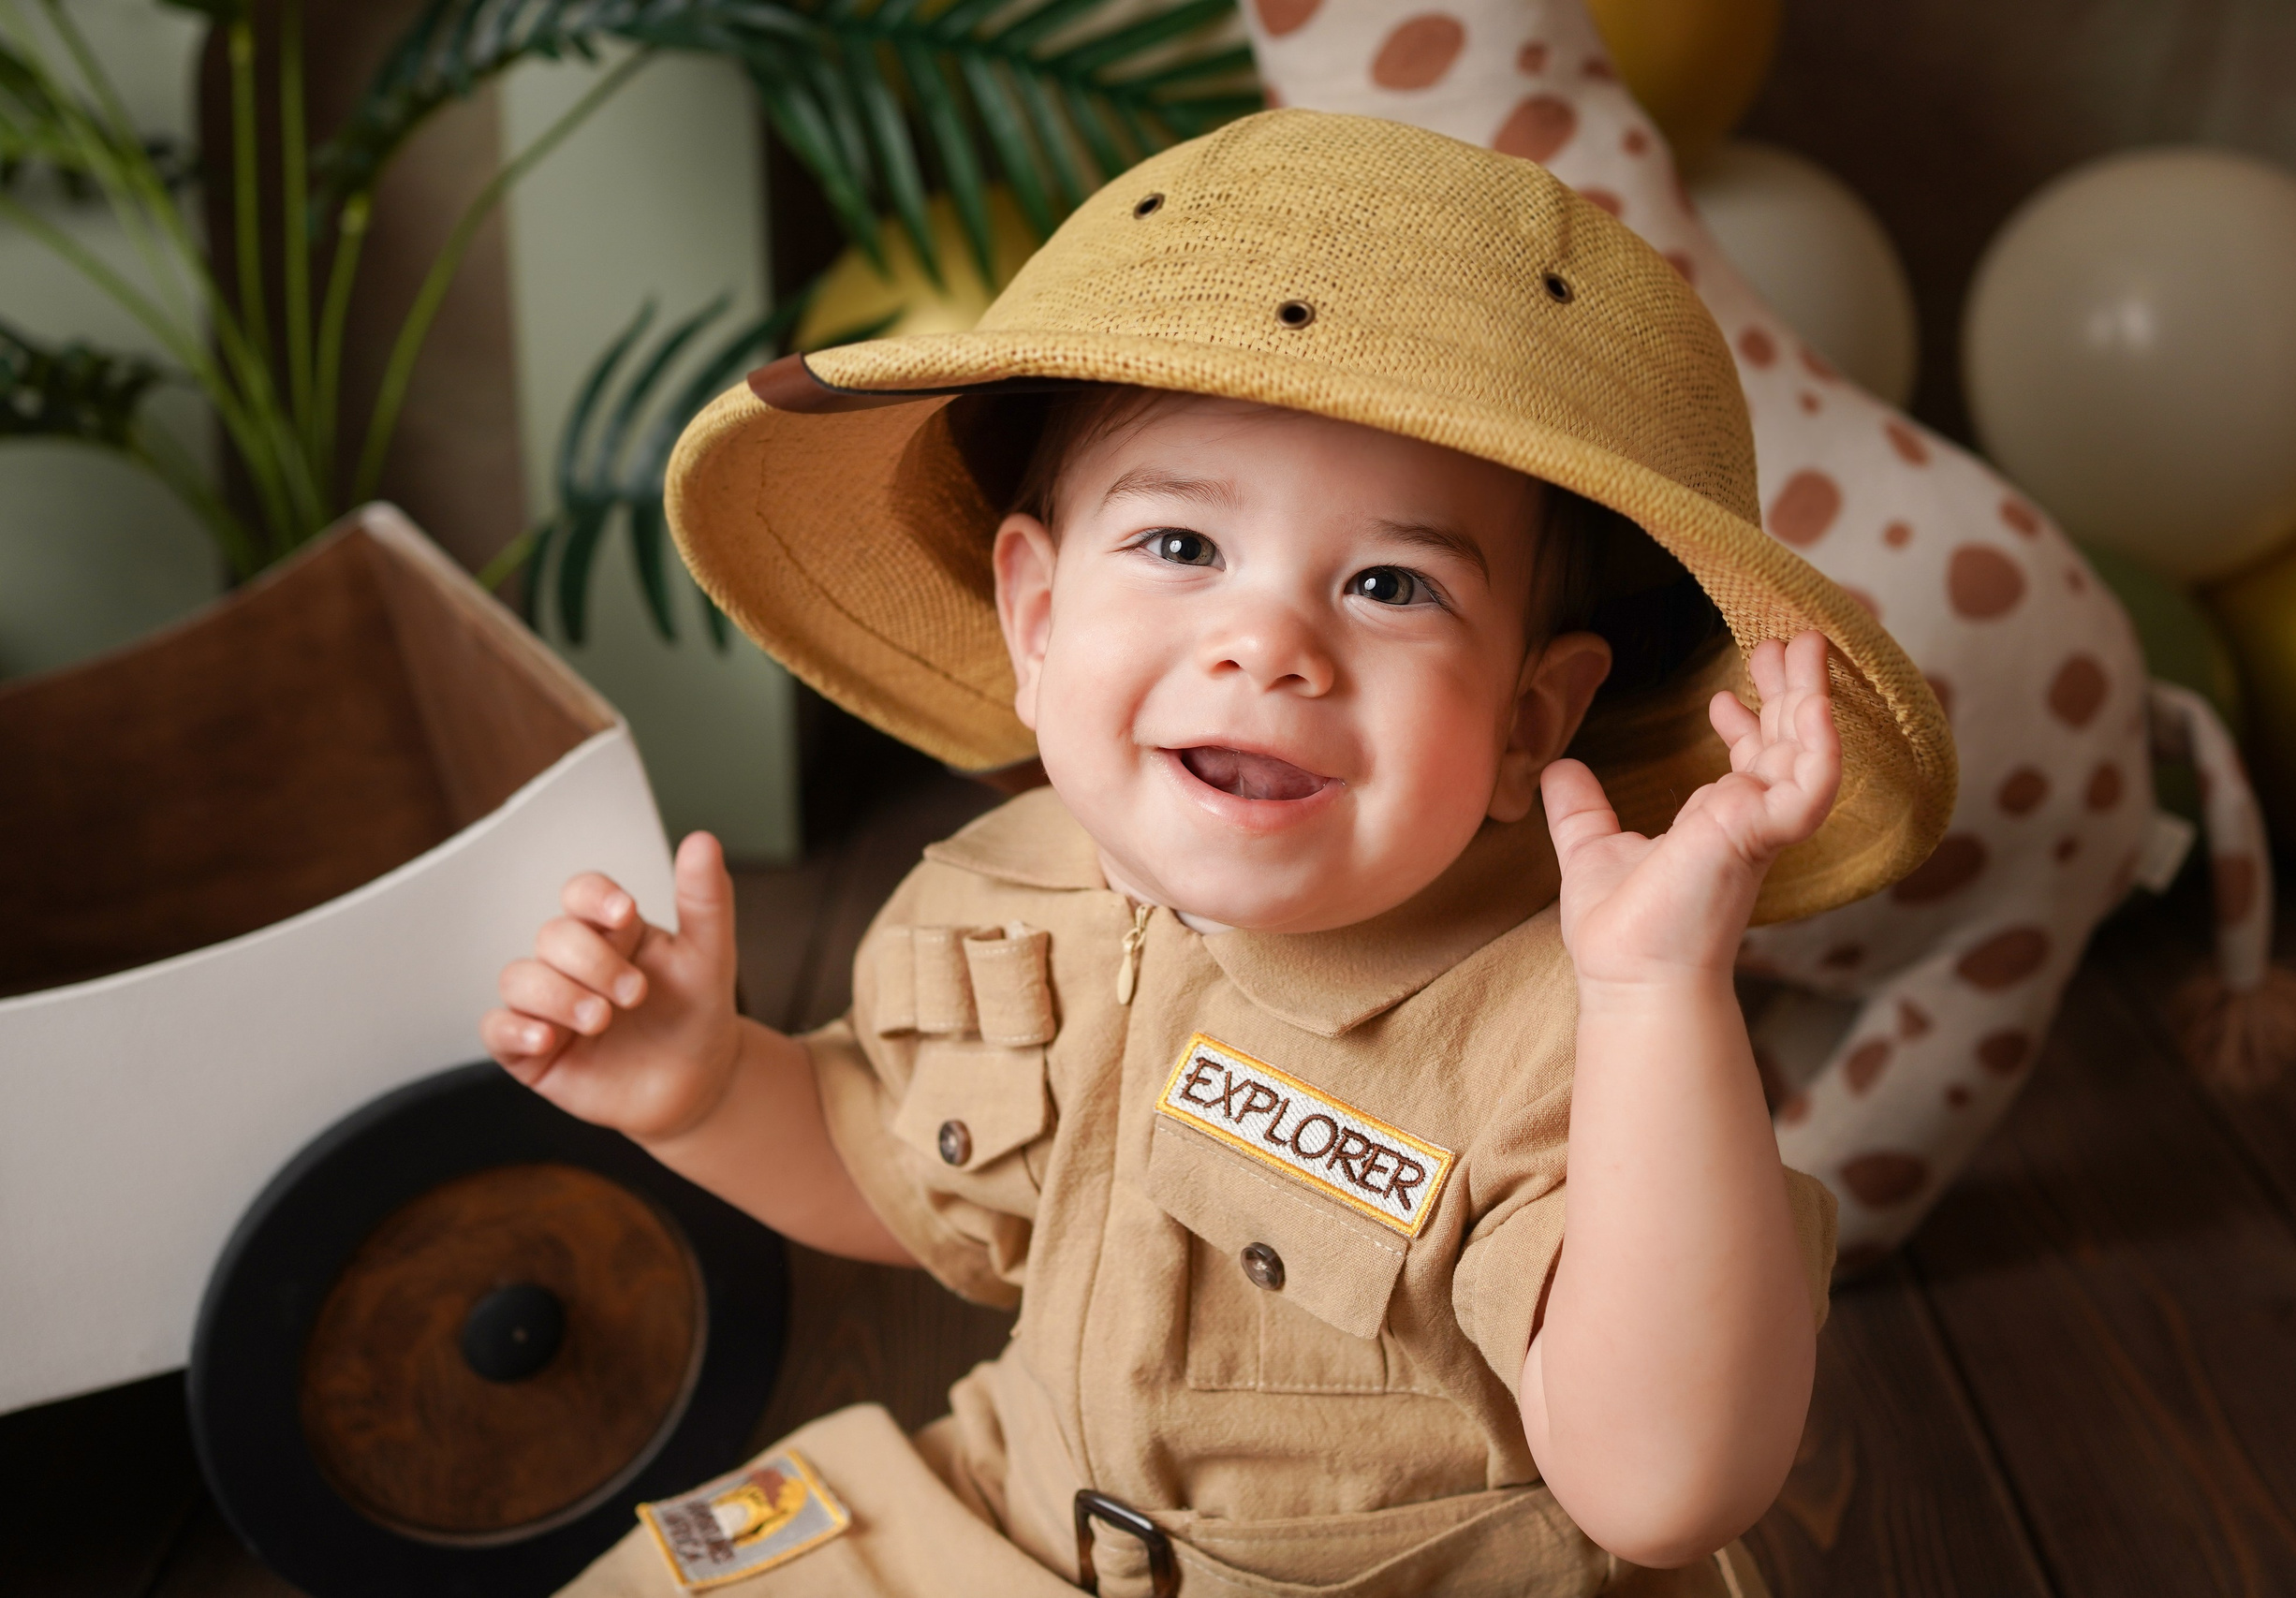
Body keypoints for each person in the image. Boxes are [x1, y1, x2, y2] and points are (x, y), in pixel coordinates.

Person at [482, 110, 1954, 1598]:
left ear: (1528, 722)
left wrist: (1656, 998)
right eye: (1182, 547)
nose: (1270, 644)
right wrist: (712, 1087)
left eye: (1390, 584)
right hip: (1020, 1516)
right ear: (1040, 619)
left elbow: (1666, 1490)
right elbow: (910, 1177)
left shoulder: (1566, 1034)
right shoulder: (1014, 897)